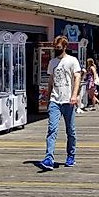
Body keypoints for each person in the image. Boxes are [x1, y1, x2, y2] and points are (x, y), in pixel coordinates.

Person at [40, 36, 82, 170]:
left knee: (71, 131)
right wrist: (47, 96)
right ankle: (49, 157)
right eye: (54, 48)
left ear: (64, 47)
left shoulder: (72, 60)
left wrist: (74, 95)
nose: (56, 50)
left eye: (58, 48)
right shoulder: (52, 62)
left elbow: (77, 77)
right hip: (55, 100)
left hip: (68, 100)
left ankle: (71, 155)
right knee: (52, 129)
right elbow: (51, 80)